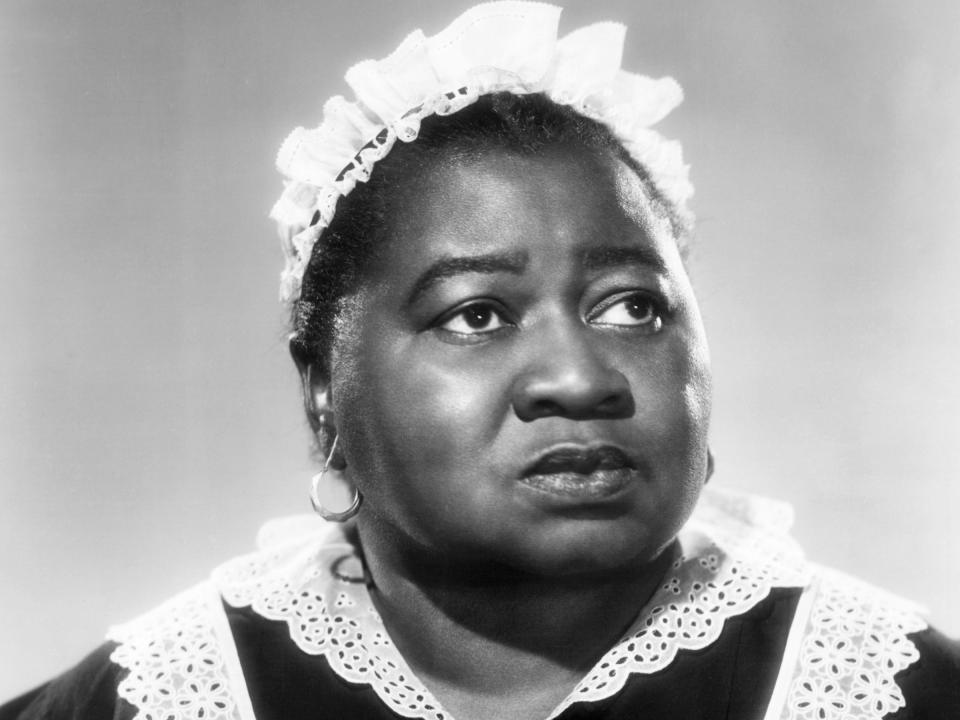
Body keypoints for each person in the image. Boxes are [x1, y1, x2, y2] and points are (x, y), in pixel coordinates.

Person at [2, 3, 957, 719]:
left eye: (633, 306)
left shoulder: (882, 685)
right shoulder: (161, 695)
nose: (578, 378)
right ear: (322, 390)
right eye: (477, 315)